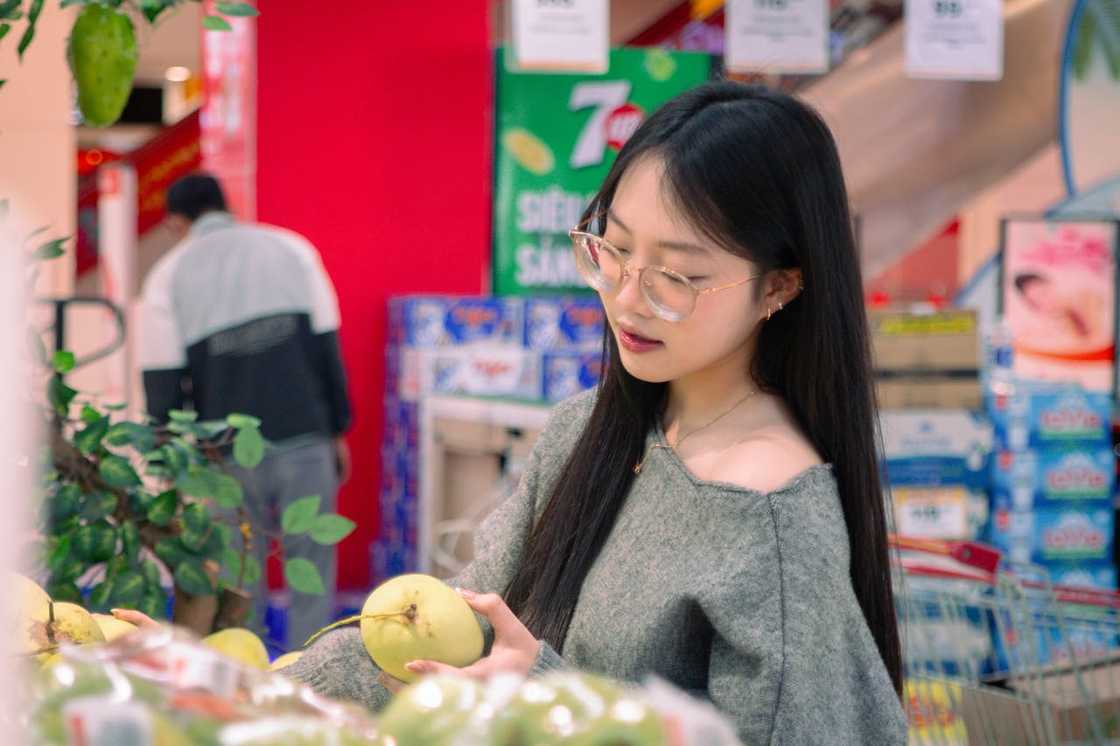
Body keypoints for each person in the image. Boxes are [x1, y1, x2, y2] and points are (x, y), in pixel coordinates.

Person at [143, 84, 906, 743]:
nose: (626, 298)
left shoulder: (771, 521)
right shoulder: (588, 431)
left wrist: (548, 692)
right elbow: (457, 631)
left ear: (778, 286)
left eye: (676, 274)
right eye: (611, 249)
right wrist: (232, 684)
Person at [138, 173, 353, 648]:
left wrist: (170, 467)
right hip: (306, 437)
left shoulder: (168, 278)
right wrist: (337, 430)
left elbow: (163, 386)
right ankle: (314, 679)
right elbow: (327, 349)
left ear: (176, 222)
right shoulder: (291, 249)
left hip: (226, 458)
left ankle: (246, 681)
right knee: (312, 571)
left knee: (239, 579)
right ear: (225, 204)